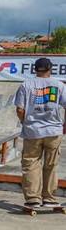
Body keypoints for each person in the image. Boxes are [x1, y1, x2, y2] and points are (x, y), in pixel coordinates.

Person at [13, 58, 66, 210]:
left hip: (32, 131)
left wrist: (25, 122)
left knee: (31, 164)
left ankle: (33, 199)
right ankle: (49, 198)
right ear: (50, 68)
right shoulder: (59, 85)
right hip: (54, 131)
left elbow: (20, 109)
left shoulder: (26, 85)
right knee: (51, 164)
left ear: (35, 69)